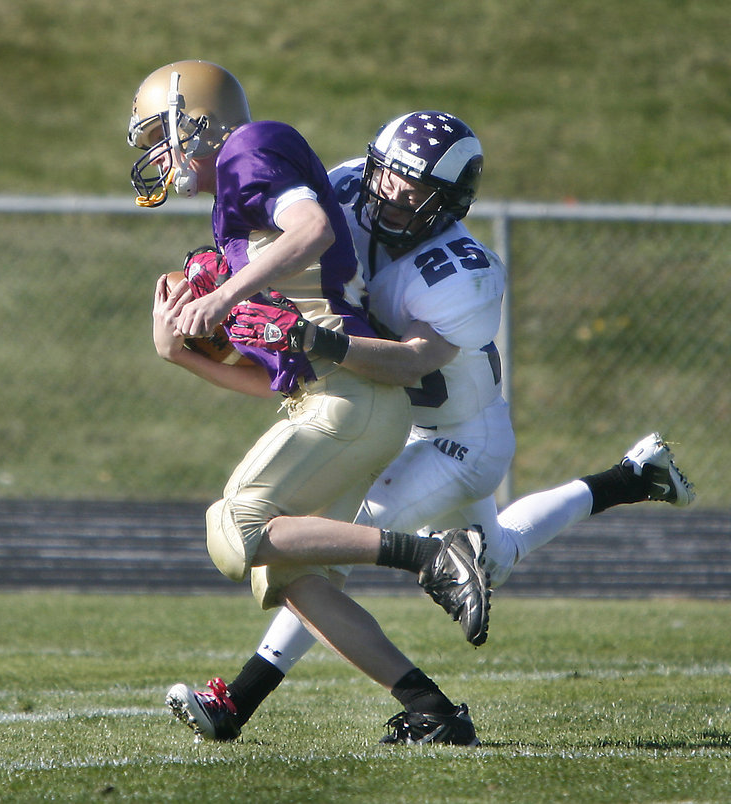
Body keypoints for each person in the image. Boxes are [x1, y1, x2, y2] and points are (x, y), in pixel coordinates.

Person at [160, 109, 696, 744]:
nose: (392, 196)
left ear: (450, 202)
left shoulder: (461, 267)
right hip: (400, 423)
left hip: (461, 438)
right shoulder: (352, 186)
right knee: (494, 555)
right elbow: (301, 258)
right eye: (389, 178)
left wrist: (312, 340)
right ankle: (630, 477)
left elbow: (413, 360)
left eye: (415, 193)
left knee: (331, 542)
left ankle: (243, 701)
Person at [129, 61, 491, 746]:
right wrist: (177, 351)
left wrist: (225, 295)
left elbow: (311, 231)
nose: (154, 151)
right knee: (289, 576)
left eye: (158, 132)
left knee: (235, 529)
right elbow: (278, 381)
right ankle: (432, 710)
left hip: (350, 398)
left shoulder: (249, 146)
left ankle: (429, 554)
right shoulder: (235, 195)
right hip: (336, 402)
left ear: (194, 120)